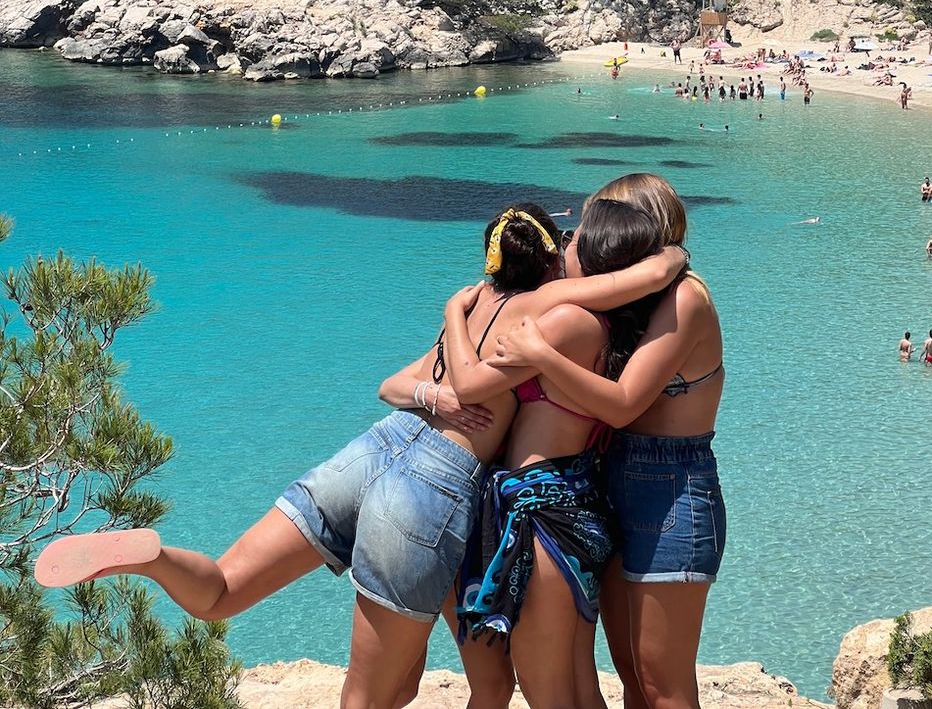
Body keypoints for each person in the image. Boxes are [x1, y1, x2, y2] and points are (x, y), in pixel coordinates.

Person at [34, 205, 687, 709]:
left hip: (378, 445)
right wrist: (670, 256)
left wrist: (439, 362)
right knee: (373, 696)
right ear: (546, 260)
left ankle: (154, 559)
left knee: (224, 593)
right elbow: (638, 280)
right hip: (432, 484)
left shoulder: (467, 306)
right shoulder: (545, 308)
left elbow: (394, 385)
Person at [488, 174, 725, 709]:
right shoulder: (635, 298)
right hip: (615, 483)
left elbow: (623, 404)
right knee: (631, 673)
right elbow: (551, 297)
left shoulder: (685, 297)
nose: (586, 237)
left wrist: (541, 355)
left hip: (672, 492)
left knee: (662, 683)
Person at [441, 199, 686, 709]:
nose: (566, 243)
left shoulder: (564, 321)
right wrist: (670, 257)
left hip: (541, 513)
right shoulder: (612, 327)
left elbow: (467, 384)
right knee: (580, 686)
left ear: (593, 255)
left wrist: (454, 315)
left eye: (576, 238)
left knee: (548, 692)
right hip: (579, 504)